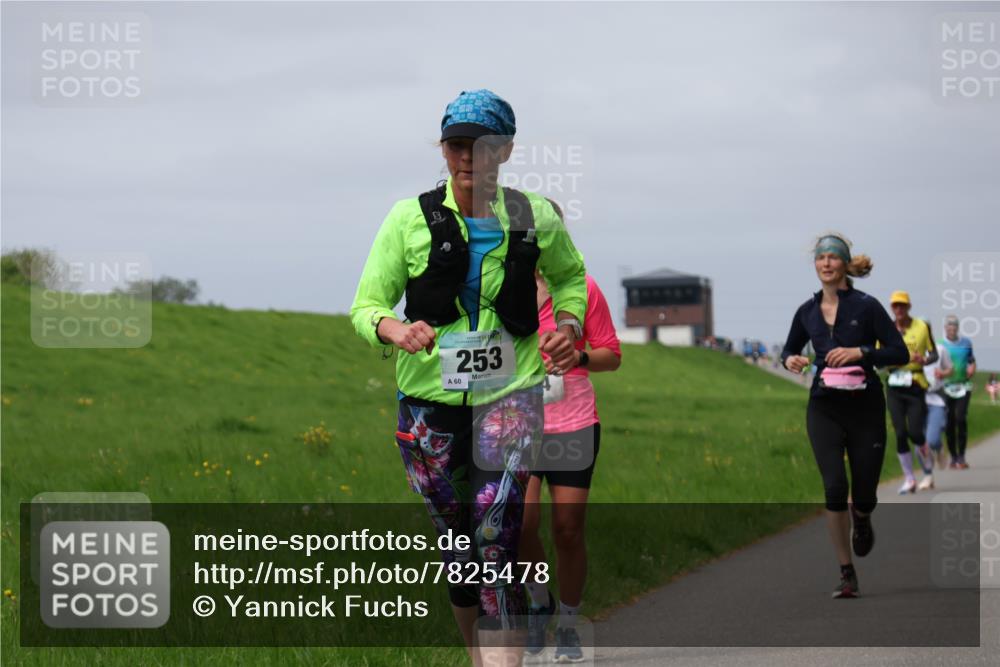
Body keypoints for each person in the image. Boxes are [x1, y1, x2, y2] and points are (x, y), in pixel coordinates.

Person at [350, 89, 588, 666]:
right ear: (444, 148)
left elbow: (571, 279)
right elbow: (365, 306)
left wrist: (570, 324)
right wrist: (395, 331)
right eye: (457, 144)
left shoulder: (536, 216)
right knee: (459, 550)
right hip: (428, 406)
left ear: (504, 151)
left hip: (510, 397)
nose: (467, 157)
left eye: (482, 146)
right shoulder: (408, 217)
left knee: (497, 538)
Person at [781, 233, 907, 599]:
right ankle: (846, 572)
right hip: (824, 407)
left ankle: (863, 517)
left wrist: (861, 352)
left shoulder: (867, 307)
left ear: (844, 264)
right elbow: (788, 349)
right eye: (820, 258)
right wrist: (790, 359)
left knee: (863, 492)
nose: (825, 264)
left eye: (833, 258)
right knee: (835, 487)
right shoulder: (806, 311)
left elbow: (897, 352)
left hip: (865, 406)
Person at [520, 267, 621, 662]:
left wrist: (576, 356)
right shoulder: (498, 285)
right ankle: (539, 601)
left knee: (567, 529)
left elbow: (611, 355)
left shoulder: (582, 289)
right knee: (520, 525)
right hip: (517, 423)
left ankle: (568, 622)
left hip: (573, 423)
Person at [883, 291, 938, 494]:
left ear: (909, 307)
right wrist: (893, 360)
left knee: (915, 433)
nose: (899, 309)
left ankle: (927, 463)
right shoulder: (885, 329)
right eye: (895, 306)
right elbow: (878, 358)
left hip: (915, 384)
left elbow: (933, 354)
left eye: (902, 305)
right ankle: (909, 478)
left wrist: (924, 360)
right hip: (894, 384)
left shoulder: (921, 327)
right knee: (899, 433)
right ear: (891, 308)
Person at [937, 315, 977, 469]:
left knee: (960, 418)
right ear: (945, 328)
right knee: (949, 422)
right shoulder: (940, 344)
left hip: (963, 386)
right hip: (945, 387)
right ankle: (953, 456)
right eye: (949, 325)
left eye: (954, 325)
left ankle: (962, 456)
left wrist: (972, 367)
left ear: (958, 327)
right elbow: (934, 363)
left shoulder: (966, 343)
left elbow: (971, 360)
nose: (952, 328)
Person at [923, 343, 953, 479]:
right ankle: (928, 475)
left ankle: (939, 447)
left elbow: (950, 369)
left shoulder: (940, 349)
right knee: (920, 441)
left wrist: (942, 373)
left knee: (932, 439)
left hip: (936, 398)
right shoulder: (909, 347)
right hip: (916, 399)